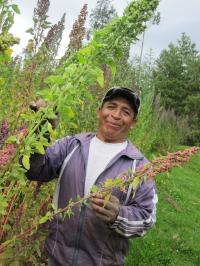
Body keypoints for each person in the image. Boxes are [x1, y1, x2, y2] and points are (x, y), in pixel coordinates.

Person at [25, 87, 158, 266]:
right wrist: (40, 133)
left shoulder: (139, 166)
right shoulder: (71, 145)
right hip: (56, 259)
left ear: (133, 122)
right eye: (111, 106)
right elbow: (35, 171)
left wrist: (118, 215)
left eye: (126, 111)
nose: (116, 115)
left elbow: (147, 219)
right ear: (99, 112)